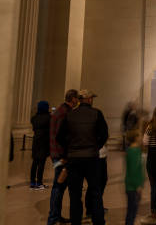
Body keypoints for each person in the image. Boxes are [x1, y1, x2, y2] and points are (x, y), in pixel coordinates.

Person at [57, 90, 109, 225]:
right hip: (92, 158)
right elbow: (104, 134)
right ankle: (99, 222)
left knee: (75, 195)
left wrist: (69, 150)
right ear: (89, 99)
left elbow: (59, 137)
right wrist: (95, 147)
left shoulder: (70, 115)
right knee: (96, 193)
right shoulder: (97, 113)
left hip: (74, 159)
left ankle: (76, 222)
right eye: (92, 98)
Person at [47, 89, 79, 225]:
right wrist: (65, 156)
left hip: (56, 154)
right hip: (61, 155)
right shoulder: (65, 113)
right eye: (76, 98)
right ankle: (53, 218)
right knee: (58, 186)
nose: (77, 101)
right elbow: (62, 137)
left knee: (59, 185)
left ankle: (56, 216)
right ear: (72, 99)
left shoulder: (60, 110)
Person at [125, 130, 145, 225]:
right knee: (131, 211)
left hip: (134, 186)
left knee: (133, 210)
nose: (142, 138)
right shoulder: (133, 151)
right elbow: (133, 171)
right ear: (136, 138)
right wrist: (138, 185)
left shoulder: (137, 150)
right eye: (140, 136)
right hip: (132, 187)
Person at [31, 100, 51, 190]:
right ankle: (39, 182)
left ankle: (32, 182)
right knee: (41, 163)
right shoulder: (49, 117)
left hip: (35, 141)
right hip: (44, 142)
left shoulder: (34, 118)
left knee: (35, 162)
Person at [85, 144, 108, 219]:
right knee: (94, 184)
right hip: (95, 156)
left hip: (101, 155)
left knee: (102, 181)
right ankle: (91, 209)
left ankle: (97, 206)